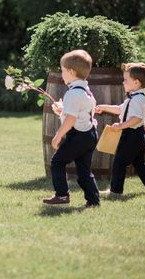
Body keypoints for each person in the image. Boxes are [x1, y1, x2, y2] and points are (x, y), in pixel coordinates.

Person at [95, 62, 145, 196]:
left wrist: (120, 126)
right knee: (139, 164)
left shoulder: (137, 99)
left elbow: (137, 118)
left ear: (136, 83)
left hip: (132, 135)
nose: (123, 82)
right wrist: (104, 107)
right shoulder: (133, 98)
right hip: (137, 135)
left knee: (119, 163)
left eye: (126, 80)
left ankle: (115, 191)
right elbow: (120, 109)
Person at [42, 50, 100, 207]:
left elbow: (71, 119)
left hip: (78, 136)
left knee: (57, 162)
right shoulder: (87, 91)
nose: (62, 74)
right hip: (90, 134)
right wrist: (62, 110)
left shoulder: (72, 93)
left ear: (71, 72)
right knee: (84, 171)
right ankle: (93, 201)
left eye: (63, 70)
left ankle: (62, 195)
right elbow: (79, 112)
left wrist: (58, 135)